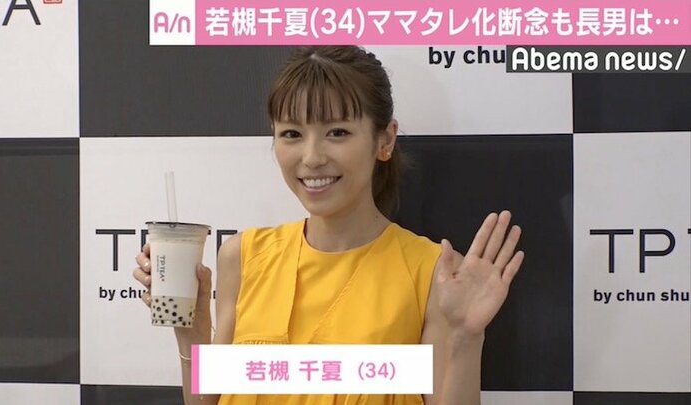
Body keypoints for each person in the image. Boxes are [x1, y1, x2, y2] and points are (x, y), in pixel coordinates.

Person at [133, 46, 524, 405]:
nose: (312, 157)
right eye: (291, 134)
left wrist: (466, 337)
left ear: (385, 140)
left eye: (337, 132)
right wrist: (192, 326)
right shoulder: (244, 256)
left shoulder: (431, 272)